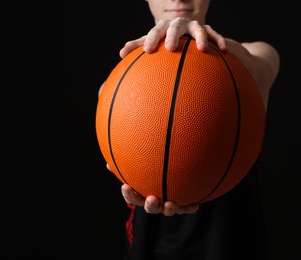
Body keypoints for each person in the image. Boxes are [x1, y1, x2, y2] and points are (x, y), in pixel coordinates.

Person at [100, 0, 280, 259]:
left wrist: (203, 39)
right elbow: (104, 95)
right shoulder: (120, 81)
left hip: (234, 248)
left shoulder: (254, 55)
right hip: (147, 249)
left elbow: (256, 66)